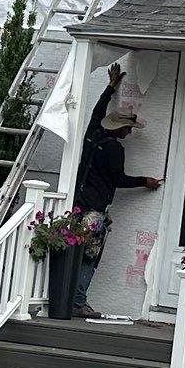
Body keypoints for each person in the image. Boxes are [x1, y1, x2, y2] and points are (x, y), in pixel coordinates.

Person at [69, 64, 161, 316]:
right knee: (90, 256)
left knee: (72, 251)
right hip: (94, 210)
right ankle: (78, 302)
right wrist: (144, 181)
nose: (129, 132)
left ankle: (68, 297)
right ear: (118, 128)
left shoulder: (92, 133)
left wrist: (110, 87)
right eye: (128, 128)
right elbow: (118, 179)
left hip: (77, 203)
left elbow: (97, 111)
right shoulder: (114, 149)